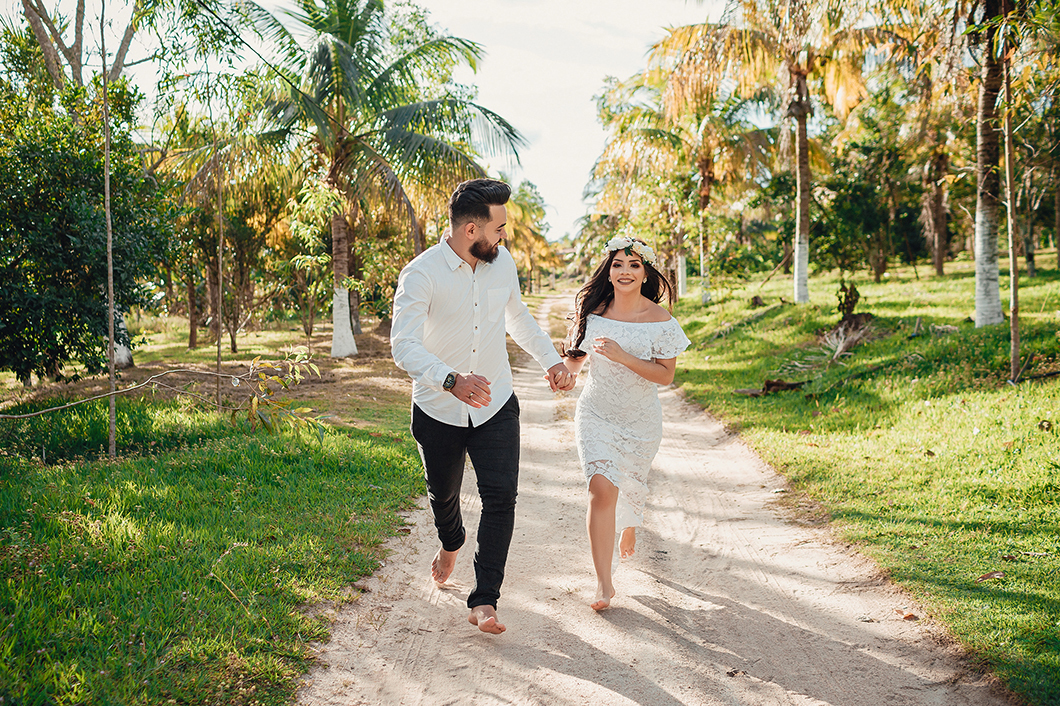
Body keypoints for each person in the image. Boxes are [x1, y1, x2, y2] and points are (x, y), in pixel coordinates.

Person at [391, 178, 575, 634]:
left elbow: (518, 318)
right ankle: (450, 543)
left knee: (500, 499)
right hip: (438, 409)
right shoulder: (421, 273)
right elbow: (403, 346)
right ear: (471, 229)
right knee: (444, 497)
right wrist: (451, 381)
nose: (504, 236)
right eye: (499, 228)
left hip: (495, 406)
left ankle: (484, 599)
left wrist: (552, 360)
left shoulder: (502, 263)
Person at [561, 236, 690, 610]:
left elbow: (665, 377)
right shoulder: (595, 311)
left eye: (634, 265)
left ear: (646, 271)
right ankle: (604, 583)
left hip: (641, 421)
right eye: (618, 264)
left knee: (629, 484)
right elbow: (574, 362)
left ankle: (629, 524)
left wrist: (623, 356)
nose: (625, 272)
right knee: (602, 489)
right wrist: (563, 376)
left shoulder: (661, 320)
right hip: (596, 413)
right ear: (609, 269)